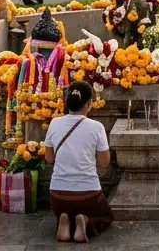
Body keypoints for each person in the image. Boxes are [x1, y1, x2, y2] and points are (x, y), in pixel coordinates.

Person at [45, 81, 113, 242]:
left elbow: (49, 158)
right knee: (106, 216)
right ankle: (86, 222)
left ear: (67, 102)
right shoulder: (97, 127)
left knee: (65, 207)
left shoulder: (54, 123)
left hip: (58, 195)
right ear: (89, 104)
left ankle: (63, 221)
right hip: (88, 195)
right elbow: (104, 163)